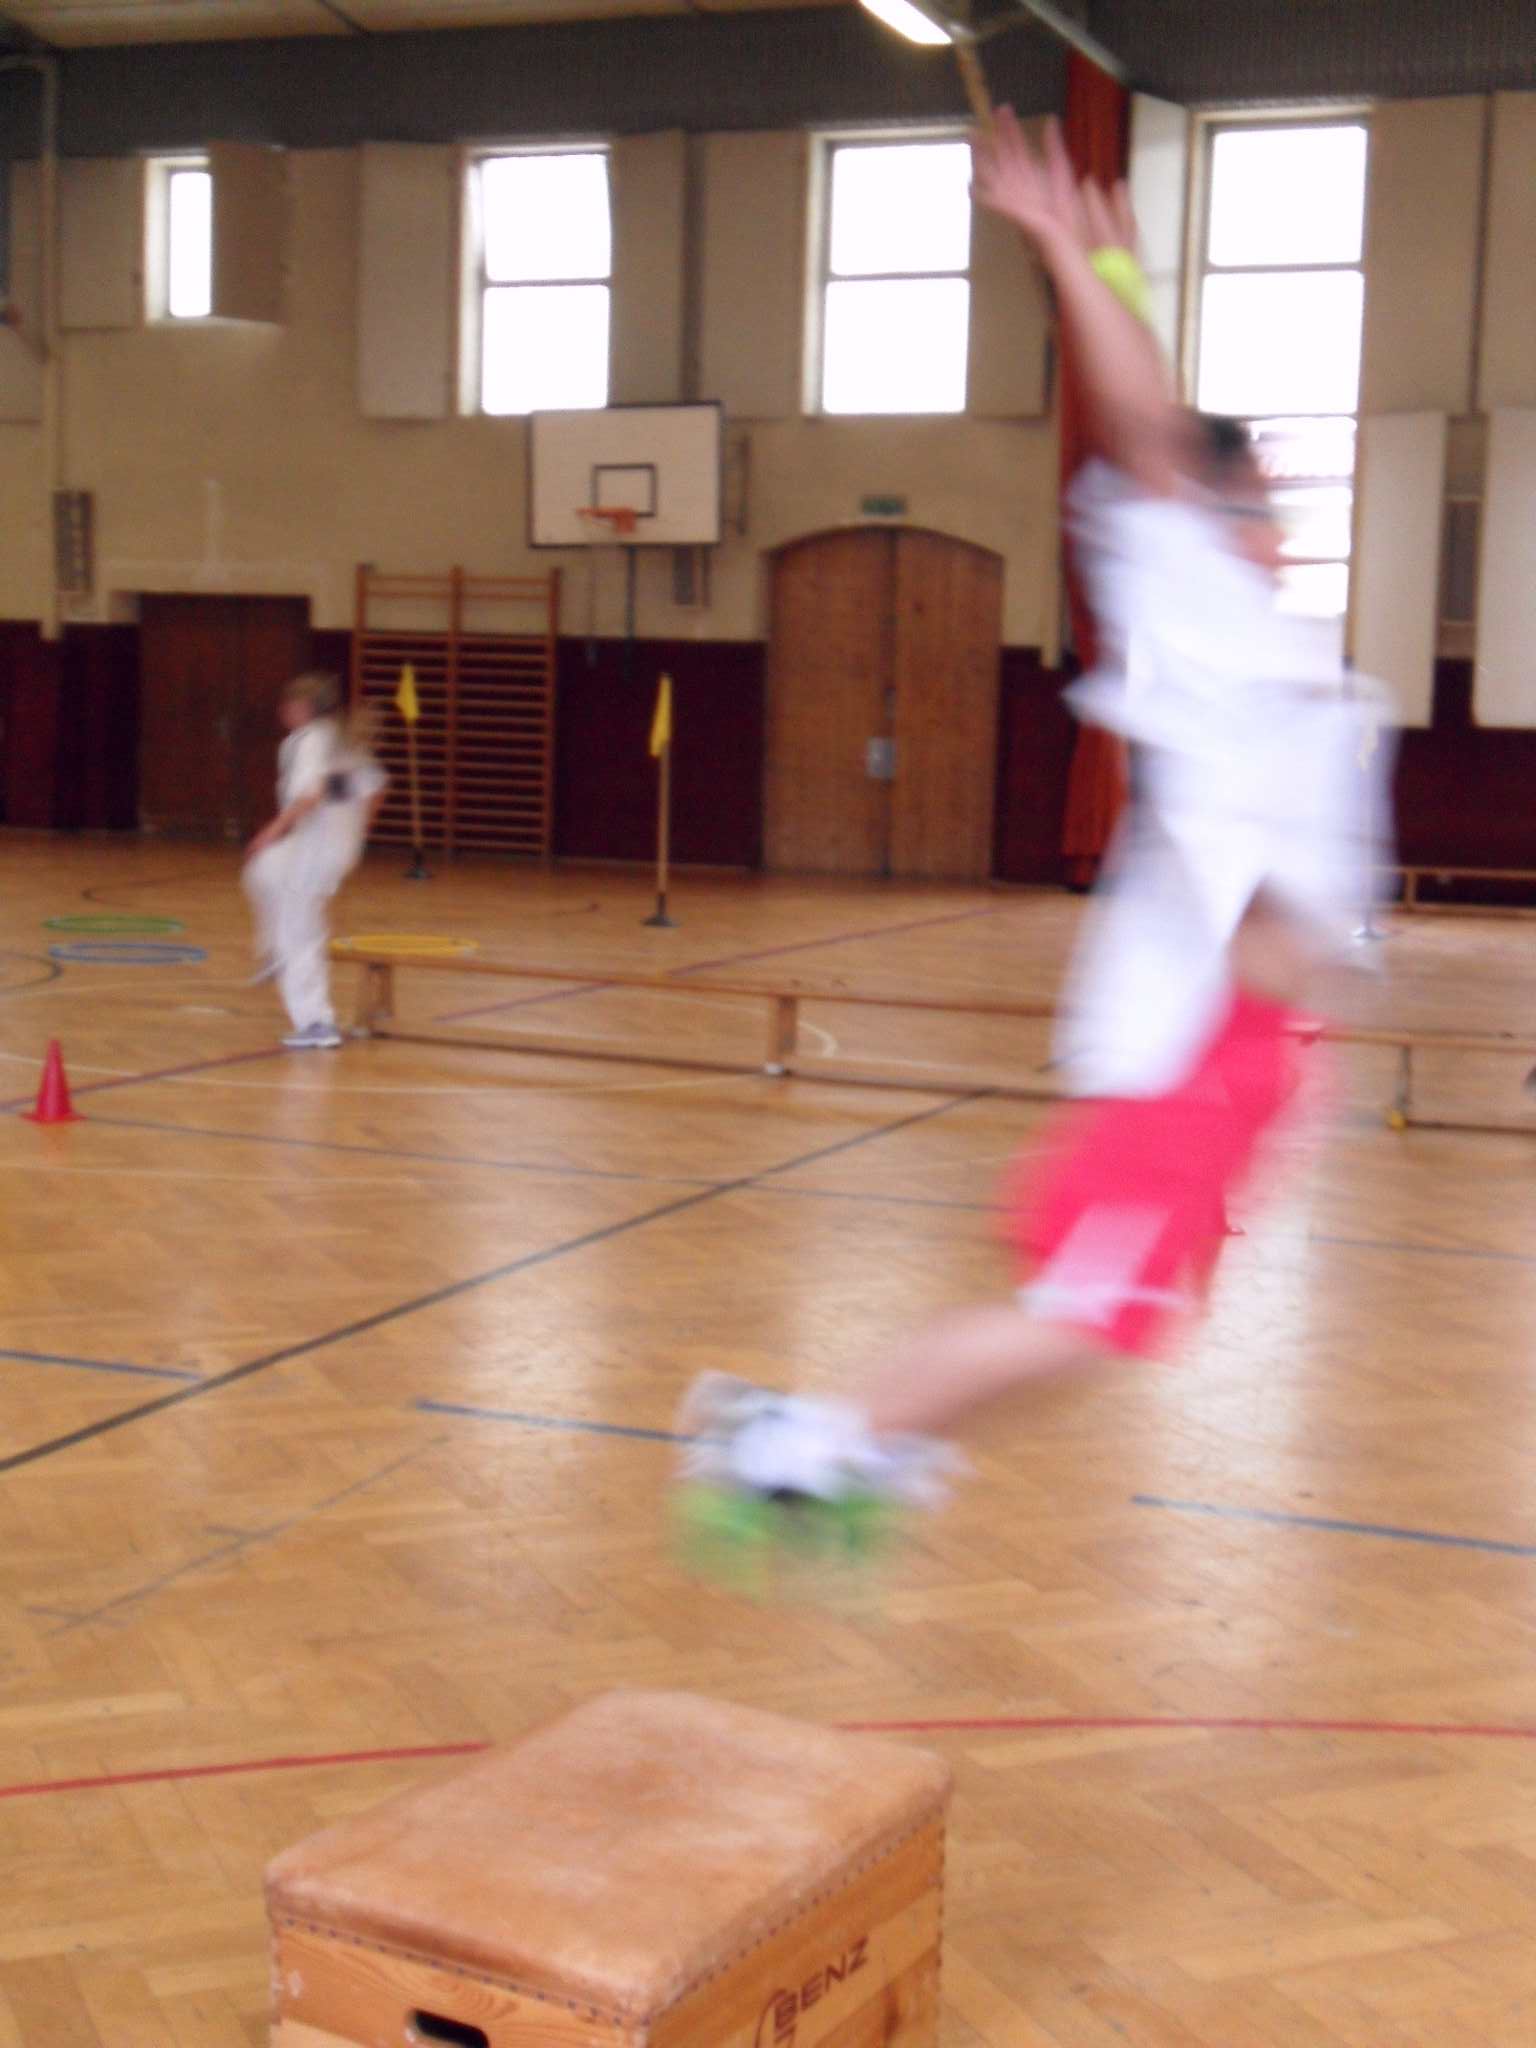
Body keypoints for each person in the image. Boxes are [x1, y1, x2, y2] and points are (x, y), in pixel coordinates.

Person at [674, 112, 1393, 1567]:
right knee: (1084, 1315)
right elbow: (1153, 431)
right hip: (1192, 1051)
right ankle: (800, 1440)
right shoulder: (1196, 599)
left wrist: (1120, 277)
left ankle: (853, 1439)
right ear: (1216, 509)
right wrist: (1076, 256)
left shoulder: (1258, 637)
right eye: (1260, 497)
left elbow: (1171, 431)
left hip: (1246, 1065)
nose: (1281, 519)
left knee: (1116, 1320)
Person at [243, 672, 388, 1051]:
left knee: (300, 931)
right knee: (264, 869)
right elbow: (375, 788)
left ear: (303, 707)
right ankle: (274, 951)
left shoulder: (309, 740)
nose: (282, 710)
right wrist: (358, 832)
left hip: (315, 850)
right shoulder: (341, 741)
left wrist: (272, 830)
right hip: (337, 848)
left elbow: (310, 794)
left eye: (289, 703)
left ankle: (315, 1021)